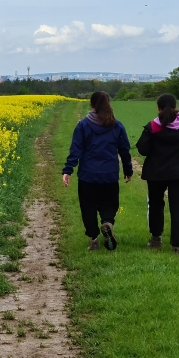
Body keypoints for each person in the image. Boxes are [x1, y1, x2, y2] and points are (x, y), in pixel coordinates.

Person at [63, 91, 133, 251]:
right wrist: (128, 170)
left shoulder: (83, 125)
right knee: (109, 204)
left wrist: (68, 170)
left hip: (88, 175)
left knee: (88, 206)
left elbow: (76, 150)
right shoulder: (117, 125)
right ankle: (107, 223)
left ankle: (93, 239)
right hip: (110, 174)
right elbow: (124, 150)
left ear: (92, 104)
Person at [136, 93, 179, 253]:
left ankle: (156, 239)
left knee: (156, 205)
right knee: (178, 208)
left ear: (158, 108)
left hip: (156, 173)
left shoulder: (152, 127)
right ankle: (177, 245)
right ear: (176, 107)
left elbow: (143, 149)